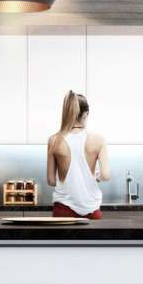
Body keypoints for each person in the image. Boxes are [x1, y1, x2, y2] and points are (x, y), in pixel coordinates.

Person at [47, 90, 109, 219]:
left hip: (63, 210)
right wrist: (95, 176)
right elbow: (105, 175)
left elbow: (51, 181)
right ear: (86, 114)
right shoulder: (99, 140)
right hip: (91, 210)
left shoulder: (54, 140)